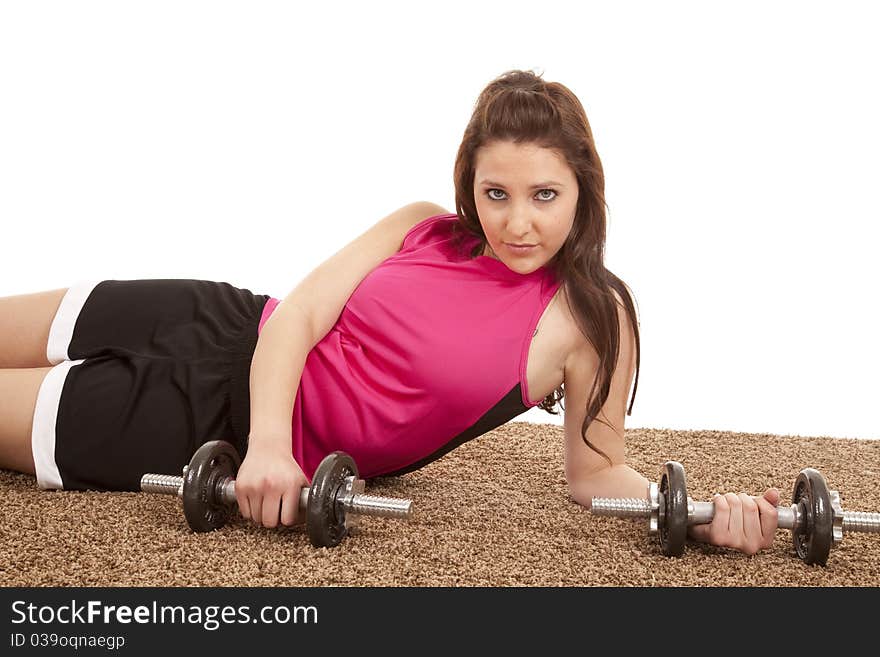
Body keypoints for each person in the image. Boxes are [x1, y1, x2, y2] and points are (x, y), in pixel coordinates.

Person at [0, 69, 779, 557]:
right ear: (469, 182)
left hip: (202, 423)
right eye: (495, 193)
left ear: (583, 191)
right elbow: (299, 314)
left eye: (545, 195)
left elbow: (596, 468)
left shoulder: (592, 317)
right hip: (220, 321)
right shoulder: (422, 222)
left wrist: (701, 513)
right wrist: (270, 452)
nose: (517, 223)